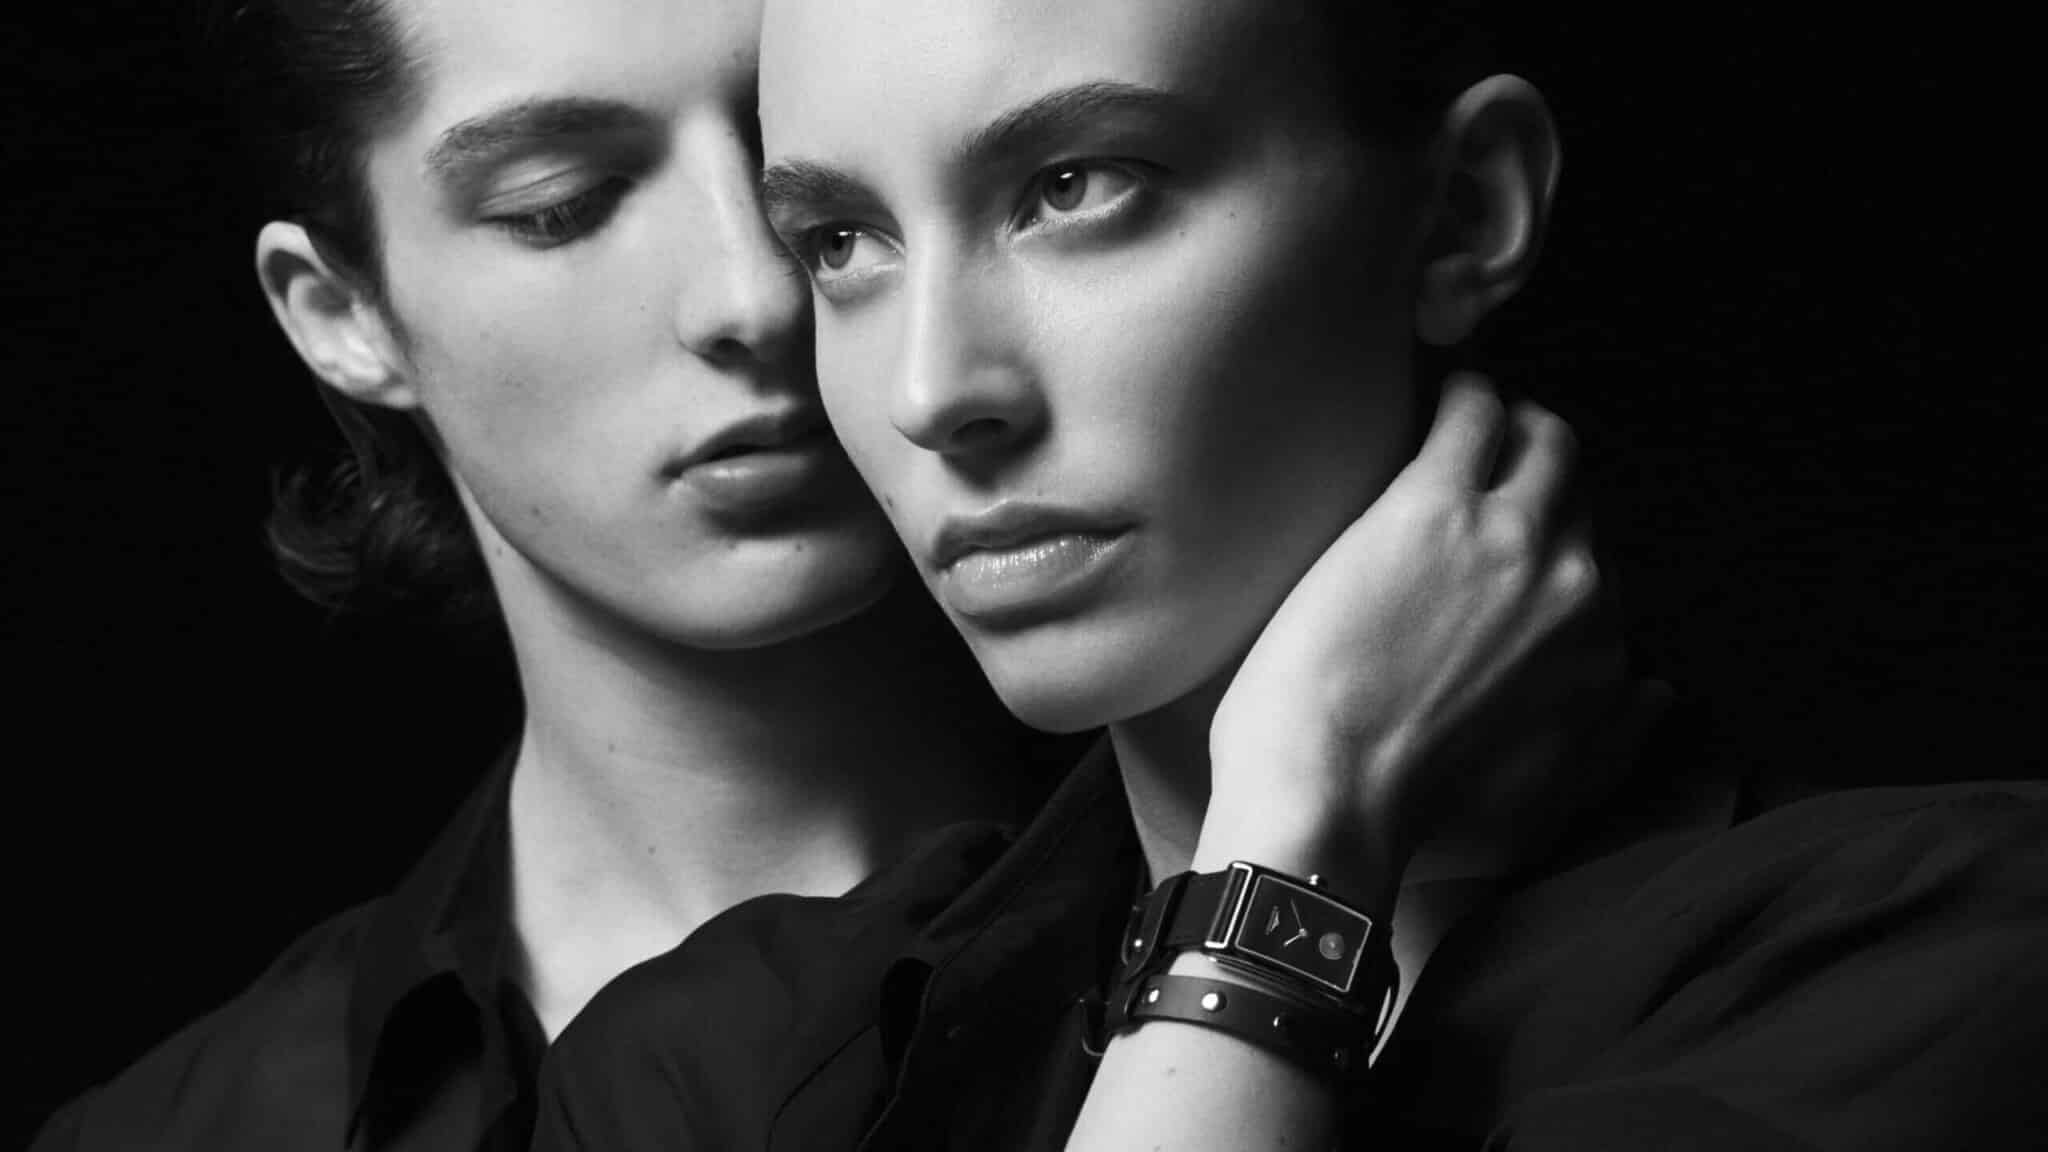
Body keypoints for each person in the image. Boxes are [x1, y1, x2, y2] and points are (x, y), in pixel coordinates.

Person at [527, 0, 2048, 1148]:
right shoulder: (724, 1071)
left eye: (1074, 186)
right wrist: (1291, 833)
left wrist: (1290, 830)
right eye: (843, 241)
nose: (932, 391)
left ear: (1462, 211)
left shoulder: (1940, 966)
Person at [27, 0, 1045, 1147]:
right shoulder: (189, 1132)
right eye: (559, 205)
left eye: (785, 145)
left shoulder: (1205, 873)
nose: (755, 296)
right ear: (343, 313)